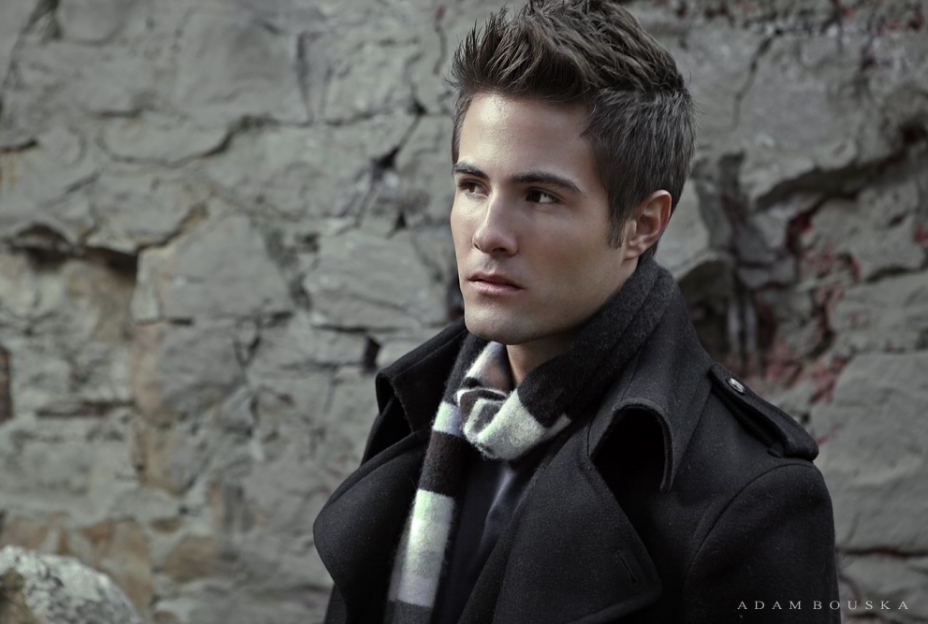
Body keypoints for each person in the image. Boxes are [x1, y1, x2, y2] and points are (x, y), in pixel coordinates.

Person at [314, 1, 840, 622]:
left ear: (642, 225)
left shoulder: (750, 497)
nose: (488, 234)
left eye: (539, 196)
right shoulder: (421, 411)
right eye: (473, 186)